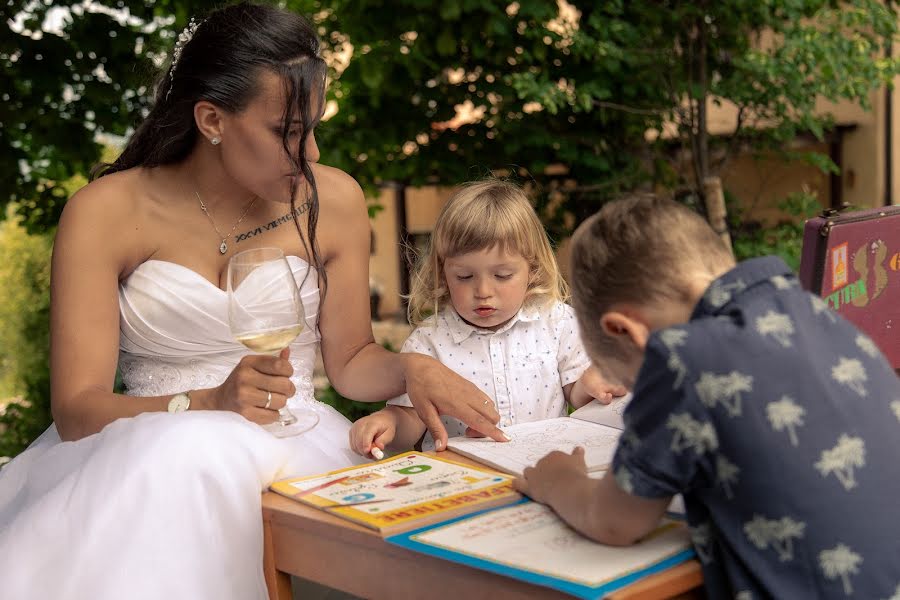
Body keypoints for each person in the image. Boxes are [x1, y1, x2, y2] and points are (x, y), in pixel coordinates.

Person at [0, 4, 505, 598]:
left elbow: (350, 361)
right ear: (212, 118)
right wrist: (208, 402)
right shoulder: (104, 212)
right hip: (142, 449)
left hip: (296, 440)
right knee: (183, 459)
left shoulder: (334, 200)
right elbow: (78, 410)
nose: (312, 153)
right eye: (289, 132)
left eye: (315, 127)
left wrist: (411, 367)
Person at [514, 194, 900, 598]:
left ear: (627, 331)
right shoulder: (817, 313)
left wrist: (558, 481)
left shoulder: (680, 355)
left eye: (633, 383)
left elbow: (614, 522)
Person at [349, 180, 625, 457]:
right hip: (464, 479)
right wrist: (388, 423)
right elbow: (413, 416)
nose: (483, 292)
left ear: (533, 269)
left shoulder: (557, 323)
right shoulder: (429, 341)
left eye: (502, 276)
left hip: (543, 469)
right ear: (442, 273)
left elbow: (575, 393)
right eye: (464, 277)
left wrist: (589, 385)